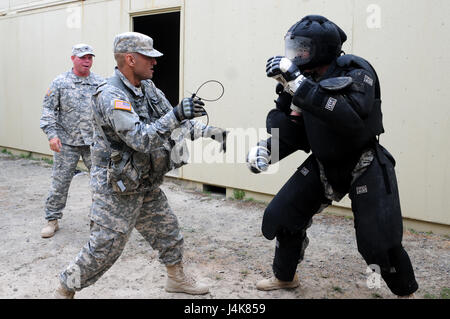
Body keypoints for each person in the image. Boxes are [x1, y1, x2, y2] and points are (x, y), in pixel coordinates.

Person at [247, 15, 418, 297]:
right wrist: (266, 149)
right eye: (294, 47)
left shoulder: (355, 69)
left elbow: (349, 118)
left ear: (321, 48)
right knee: (282, 216)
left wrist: (299, 84)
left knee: (378, 243)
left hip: (363, 161)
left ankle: (406, 292)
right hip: (325, 162)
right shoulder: (301, 80)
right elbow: (293, 131)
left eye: (302, 48)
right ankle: (285, 277)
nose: (296, 54)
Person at [54, 32, 227, 298]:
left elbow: (174, 121)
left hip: (144, 180)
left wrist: (210, 132)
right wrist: (177, 113)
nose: (155, 63)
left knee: (168, 231)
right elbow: (141, 139)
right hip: (117, 187)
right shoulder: (110, 95)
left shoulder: (147, 88)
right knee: (104, 248)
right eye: (150, 57)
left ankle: (176, 279)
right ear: (131, 59)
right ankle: (66, 288)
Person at [39, 44, 104, 238]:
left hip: (93, 142)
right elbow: (48, 110)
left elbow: (108, 110)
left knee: (101, 183)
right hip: (67, 142)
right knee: (60, 182)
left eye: (90, 57)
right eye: (83, 57)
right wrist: (52, 135)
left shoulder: (99, 82)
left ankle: (99, 221)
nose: (87, 61)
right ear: (73, 58)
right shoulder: (60, 82)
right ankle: (52, 220)